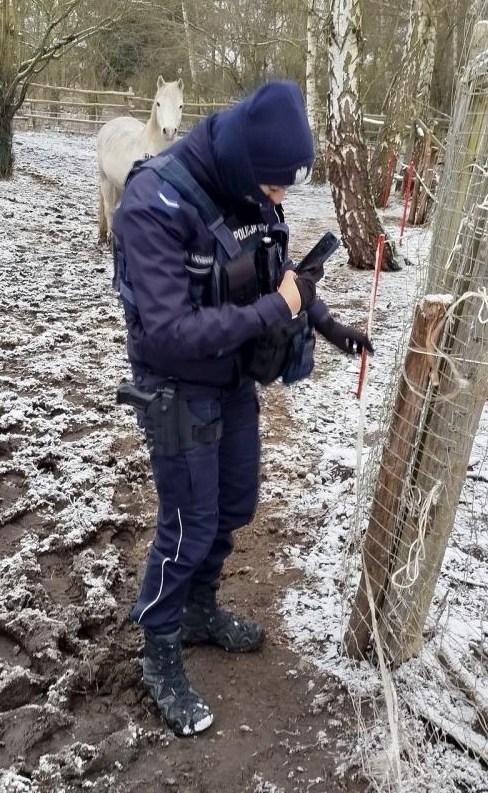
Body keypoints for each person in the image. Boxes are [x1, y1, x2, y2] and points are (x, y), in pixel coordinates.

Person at [110, 79, 372, 736]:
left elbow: (280, 272)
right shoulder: (153, 202)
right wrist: (273, 310)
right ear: (245, 164)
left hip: (232, 379)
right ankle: (160, 646)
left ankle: (199, 610)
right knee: (187, 524)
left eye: (287, 188)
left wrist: (327, 324)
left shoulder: (251, 190)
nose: (281, 198)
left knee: (234, 506)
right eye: (276, 186)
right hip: (176, 386)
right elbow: (168, 332)